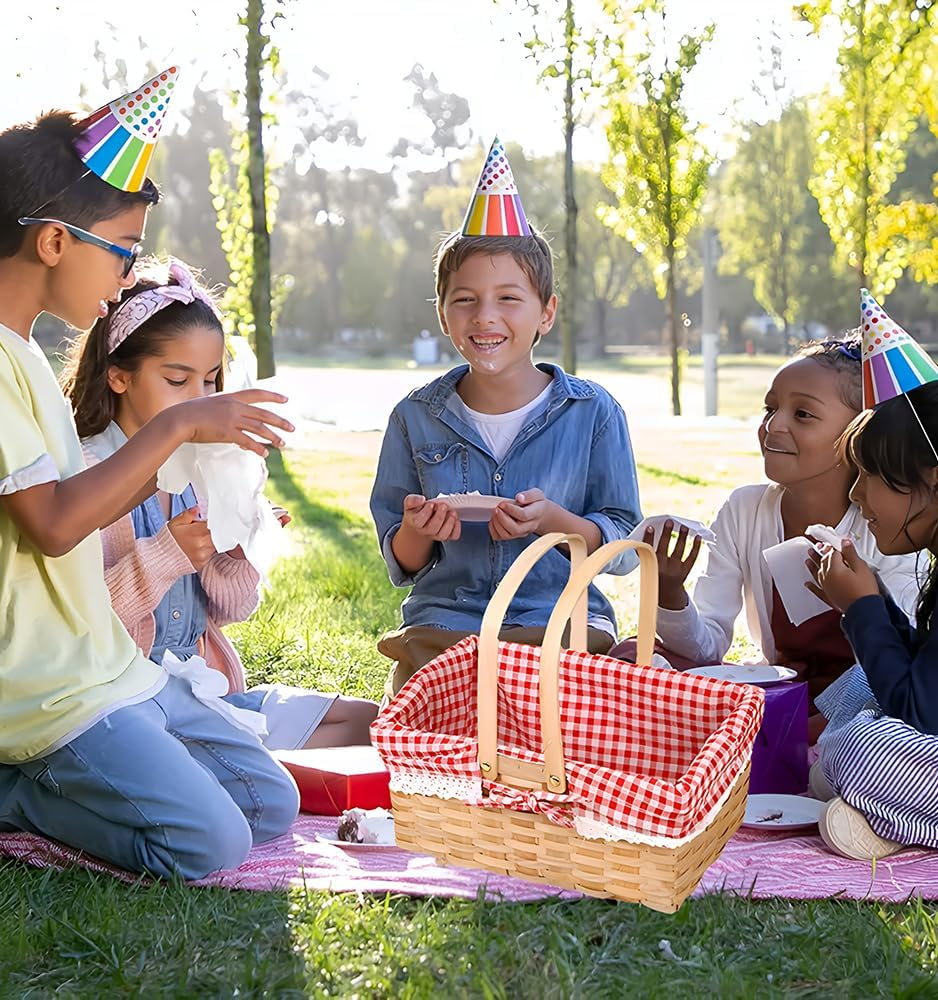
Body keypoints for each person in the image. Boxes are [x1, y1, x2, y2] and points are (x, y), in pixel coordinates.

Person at [0, 76, 299, 880]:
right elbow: (56, 524)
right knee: (212, 845)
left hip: (109, 664)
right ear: (55, 242)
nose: (128, 270)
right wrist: (176, 426)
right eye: (122, 249)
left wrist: (210, 478)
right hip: (42, 689)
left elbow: (92, 497)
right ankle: (14, 796)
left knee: (270, 804)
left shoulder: (25, 351)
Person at [63, 257, 379, 750]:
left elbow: (231, 611)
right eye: (177, 380)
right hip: (126, 707)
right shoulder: (88, 471)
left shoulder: (201, 469)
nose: (200, 401)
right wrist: (167, 556)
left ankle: (229, 755)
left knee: (369, 723)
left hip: (206, 694)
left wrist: (235, 554)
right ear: (119, 376)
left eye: (209, 380)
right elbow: (82, 628)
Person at [369, 138, 642, 698]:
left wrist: (553, 521)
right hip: (447, 621)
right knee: (433, 701)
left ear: (546, 312)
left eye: (508, 299)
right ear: (443, 313)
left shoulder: (593, 414)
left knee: (553, 704)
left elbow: (618, 544)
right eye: (465, 299)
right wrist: (419, 531)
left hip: (558, 616)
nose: (485, 316)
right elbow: (402, 556)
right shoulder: (414, 419)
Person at [627, 336, 926, 740]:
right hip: (775, 696)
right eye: (771, 408)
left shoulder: (887, 528)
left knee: (871, 736)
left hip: (860, 710)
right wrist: (669, 591)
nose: (774, 425)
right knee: (631, 654)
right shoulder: (744, 511)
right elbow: (707, 649)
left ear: (861, 434)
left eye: (802, 414)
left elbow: (898, 664)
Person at [809, 375, 938, 859]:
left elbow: (924, 716)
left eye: (869, 474)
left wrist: (861, 608)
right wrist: (874, 600)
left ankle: (894, 814)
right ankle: (892, 813)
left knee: (863, 752)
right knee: (861, 685)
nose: (855, 494)